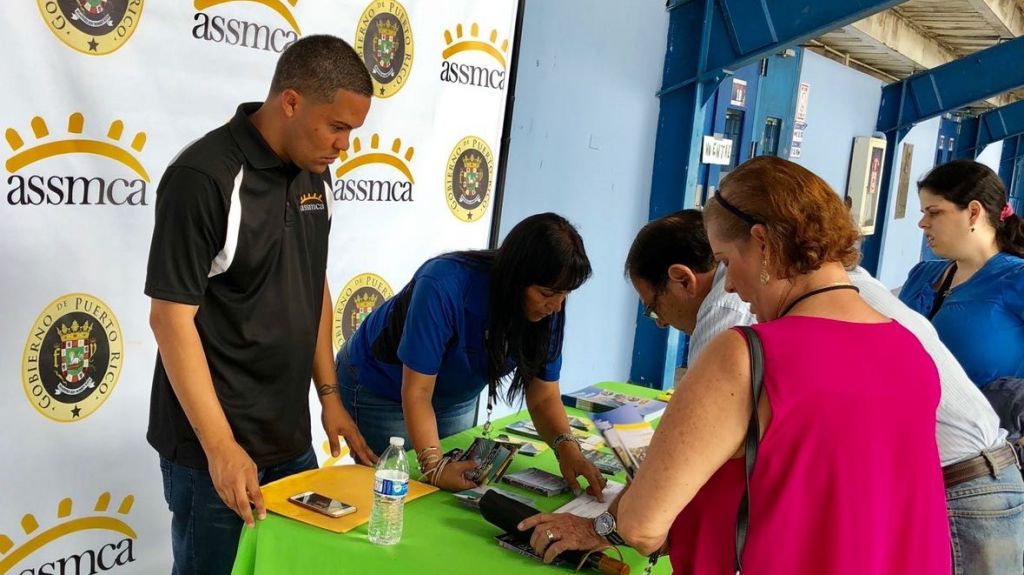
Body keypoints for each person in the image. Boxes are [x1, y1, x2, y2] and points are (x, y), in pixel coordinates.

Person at [520, 157, 951, 574]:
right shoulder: (911, 349)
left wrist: (603, 526)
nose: (728, 284)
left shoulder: (750, 354)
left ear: (762, 243)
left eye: (726, 260)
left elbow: (642, 526)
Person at [624, 209, 1021, 574]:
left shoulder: (735, 312)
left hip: (963, 488)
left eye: (727, 260)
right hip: (948, 486)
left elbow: (682, 469)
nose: (731, 284)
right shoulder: (838, 291)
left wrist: (617, 518)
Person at [145, 35, 376, 575]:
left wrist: (330, 395)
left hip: (290, 441)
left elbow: (311, 280)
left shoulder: (315, 171)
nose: (344, 145)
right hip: (214, 453)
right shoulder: (204, 176)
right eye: (337, 127)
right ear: (290, 102)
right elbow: (169, 318)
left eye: (352, 132)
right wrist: (221, 448)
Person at [336, 213, 605, 497]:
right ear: (515, 279)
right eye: (548, 293)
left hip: (452, 395)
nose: (557, 306)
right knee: (395, 493)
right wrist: (434, 467)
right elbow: (416, 392)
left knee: (454, 489)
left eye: (565, 294)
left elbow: (544, 395)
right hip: (382, 389)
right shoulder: (442, 284)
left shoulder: (547, 306)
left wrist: (567, 449)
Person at [899, 159, 1024, 388]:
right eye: (923, 212)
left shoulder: (1016, 279)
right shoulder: (921, 275)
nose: (922, 223)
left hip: (989, 420)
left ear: (973, 213)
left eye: (934, 212)